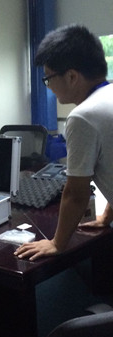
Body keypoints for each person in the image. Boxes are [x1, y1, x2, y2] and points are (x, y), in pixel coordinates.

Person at [15, 24, 113, 261]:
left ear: (71, 77)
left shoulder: (83, 117)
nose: (48, 87)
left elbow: (76, 193)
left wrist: (57, 243)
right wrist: (106, 217)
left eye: (48, 78)